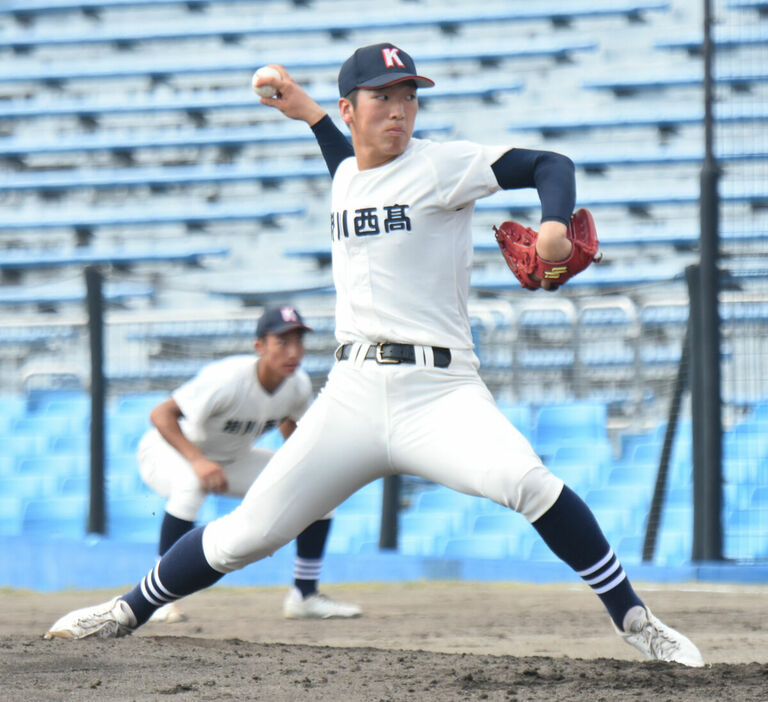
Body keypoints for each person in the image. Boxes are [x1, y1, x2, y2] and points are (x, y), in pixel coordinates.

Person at [45, 42, 704, 667]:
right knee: (249, 533)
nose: (398, 109)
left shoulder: (441, 164)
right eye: (382, 96)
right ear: (350, 109)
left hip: (440, 393)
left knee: (528, 483)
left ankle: (634, 620)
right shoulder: (345, 179)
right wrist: (303, 108)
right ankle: (126, 609)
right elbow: (341, 159)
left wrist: (555, 224)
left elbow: (548, 164)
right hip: (353, 396)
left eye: (408, 96)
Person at [136, 304, 361, 621]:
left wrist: (301, 470)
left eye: (298, 341)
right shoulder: (227, 378)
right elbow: (160, 415)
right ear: (260, 346)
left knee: (318, 492)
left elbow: (290, 425)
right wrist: (198, 462)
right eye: (282, 342)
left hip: (231, 459)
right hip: (167, 451)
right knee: (190, 485)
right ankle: (157, 600)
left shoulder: (296, 385)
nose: (293, 351)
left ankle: (304, 595)